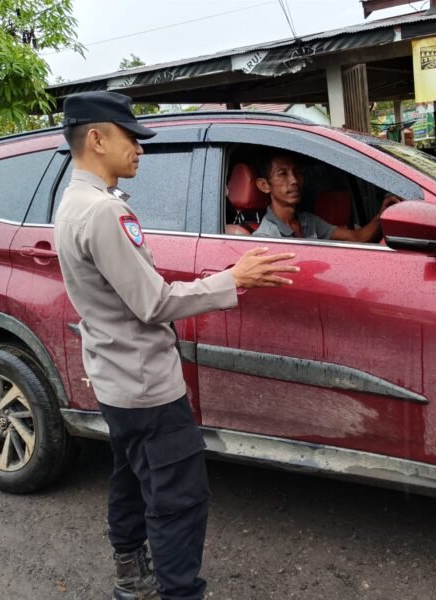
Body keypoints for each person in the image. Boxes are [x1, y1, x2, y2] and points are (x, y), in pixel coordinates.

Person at [53, 91, 299, 600]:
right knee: (179, 499)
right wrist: (234, 277)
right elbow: (154, 302)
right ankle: (178, 592)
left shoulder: (76, 202)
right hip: (146, 387)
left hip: (115, 380)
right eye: (131, 139)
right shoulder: (101, 213)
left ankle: (131, 578)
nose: (140, 149)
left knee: (129, 477)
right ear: (96, 138)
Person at [252, 151, 399, 241]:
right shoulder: (265, 238)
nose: (294, 180)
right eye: (282, 174)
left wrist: (383, 213)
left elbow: (358, 237)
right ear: (264, 185)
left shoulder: (308, 221)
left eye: (298, 172)